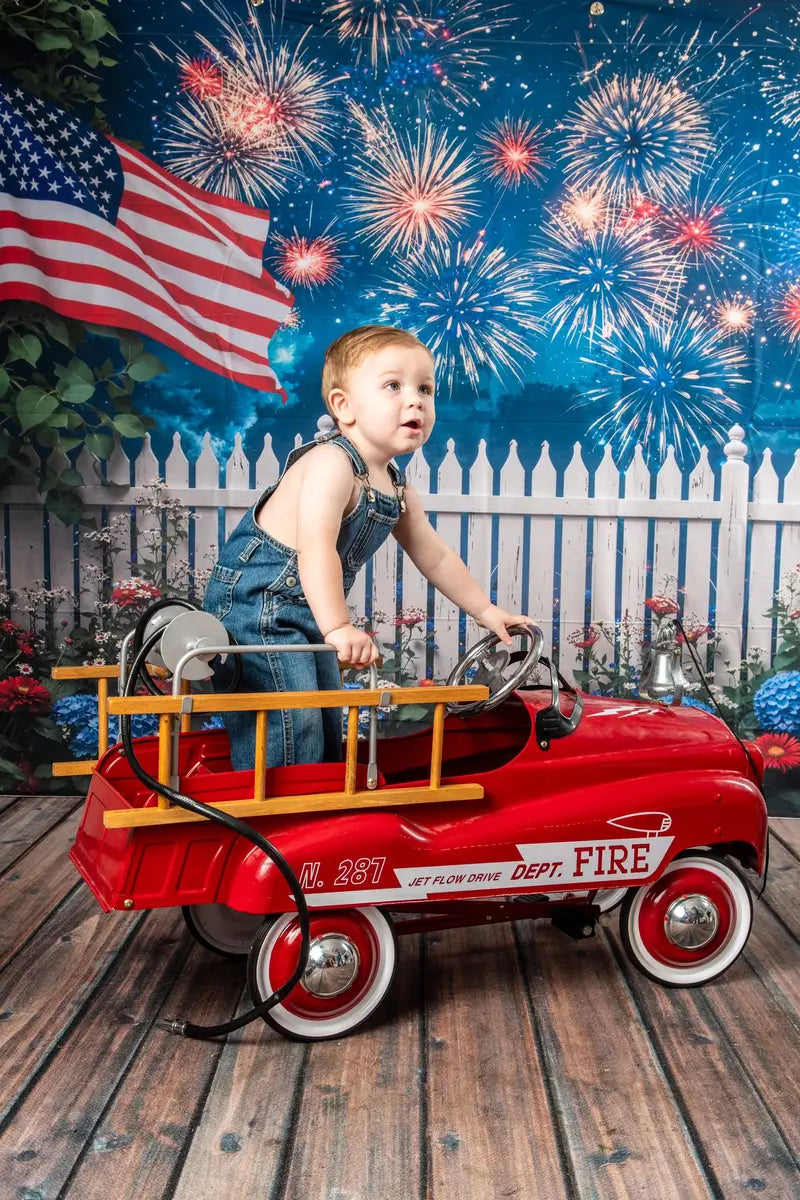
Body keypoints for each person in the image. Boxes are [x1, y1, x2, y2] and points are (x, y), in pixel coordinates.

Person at [203, 324, 533, 771]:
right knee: (290, 718)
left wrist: (485, 610)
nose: (415, 400)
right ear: (344, 406)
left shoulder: (396, 485)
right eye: (393, 386)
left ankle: (320, 796)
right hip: (257, 606)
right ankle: (275, 805)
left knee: (326, 712)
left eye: (425, 388)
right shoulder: (331, 463)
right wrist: (339, 626)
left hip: (308, 612)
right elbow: (315, 548)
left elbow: (434, 555)